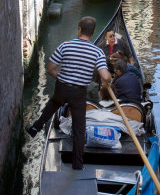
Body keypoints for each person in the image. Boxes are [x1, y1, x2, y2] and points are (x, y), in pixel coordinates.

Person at [25, 17, 111, 170]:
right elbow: (105, 76)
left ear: (79, 29)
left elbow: (50, 68)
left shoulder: (66, 45)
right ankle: (77, 164)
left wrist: (62, 78)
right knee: (79, 128)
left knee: (54, 102)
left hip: (62, 87)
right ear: (92, 32)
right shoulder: (97, 52)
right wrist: (107, 81)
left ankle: (35, 128)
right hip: (79, 93)